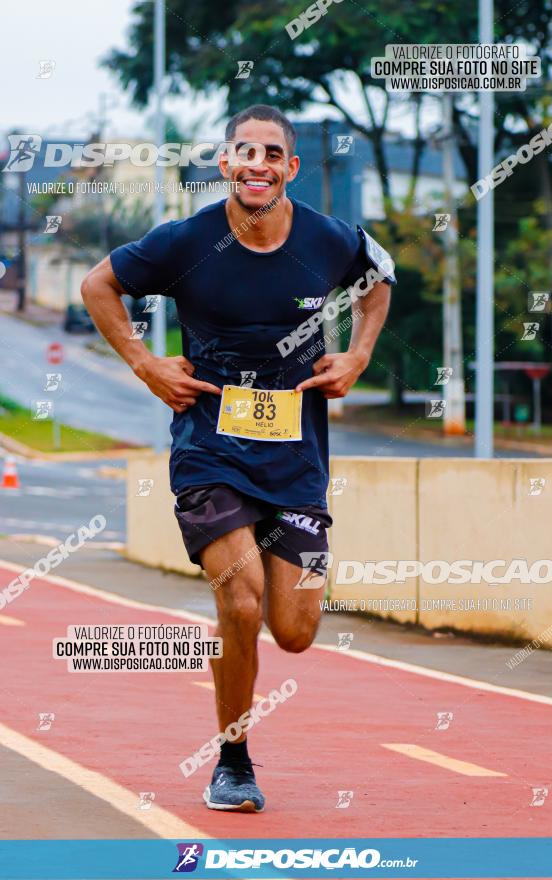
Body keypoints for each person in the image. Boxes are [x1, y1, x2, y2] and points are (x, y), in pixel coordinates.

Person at [81, 104, 394, 813]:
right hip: (209, 447)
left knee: (294, 631)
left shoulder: (326, 237)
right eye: (243, 151)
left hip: (296, 460)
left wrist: (358, 355)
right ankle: (233, 760)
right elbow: (98, 284)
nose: (257, 163)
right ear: (224, 164)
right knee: (241, 598)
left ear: (290, 168)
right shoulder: (185, 240)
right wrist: (142, 363)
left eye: (271, 153)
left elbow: (381, 276)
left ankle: (259, 581)